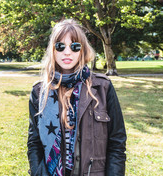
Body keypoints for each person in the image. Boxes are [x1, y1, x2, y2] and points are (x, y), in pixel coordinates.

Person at [27, 19, 126, 176]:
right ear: (52, 50)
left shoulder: (102, 87)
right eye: (60, 46)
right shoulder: (39, 92)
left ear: (82, 50)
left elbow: (117, 142)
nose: (67, 52)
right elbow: (34, 144)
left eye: (74, 46)